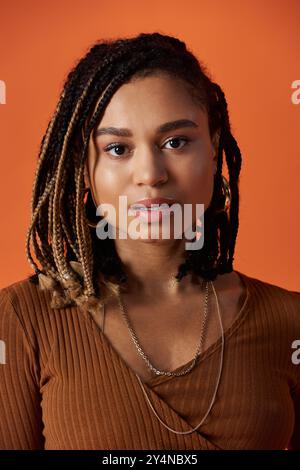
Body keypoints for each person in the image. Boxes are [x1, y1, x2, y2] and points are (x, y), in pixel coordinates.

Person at [0, 32, 299, 450]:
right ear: (85, 168)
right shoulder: (21, 319)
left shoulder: (290, 321)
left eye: (176, 142)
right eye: (118, 148)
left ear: (213, 148)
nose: (151, 173)